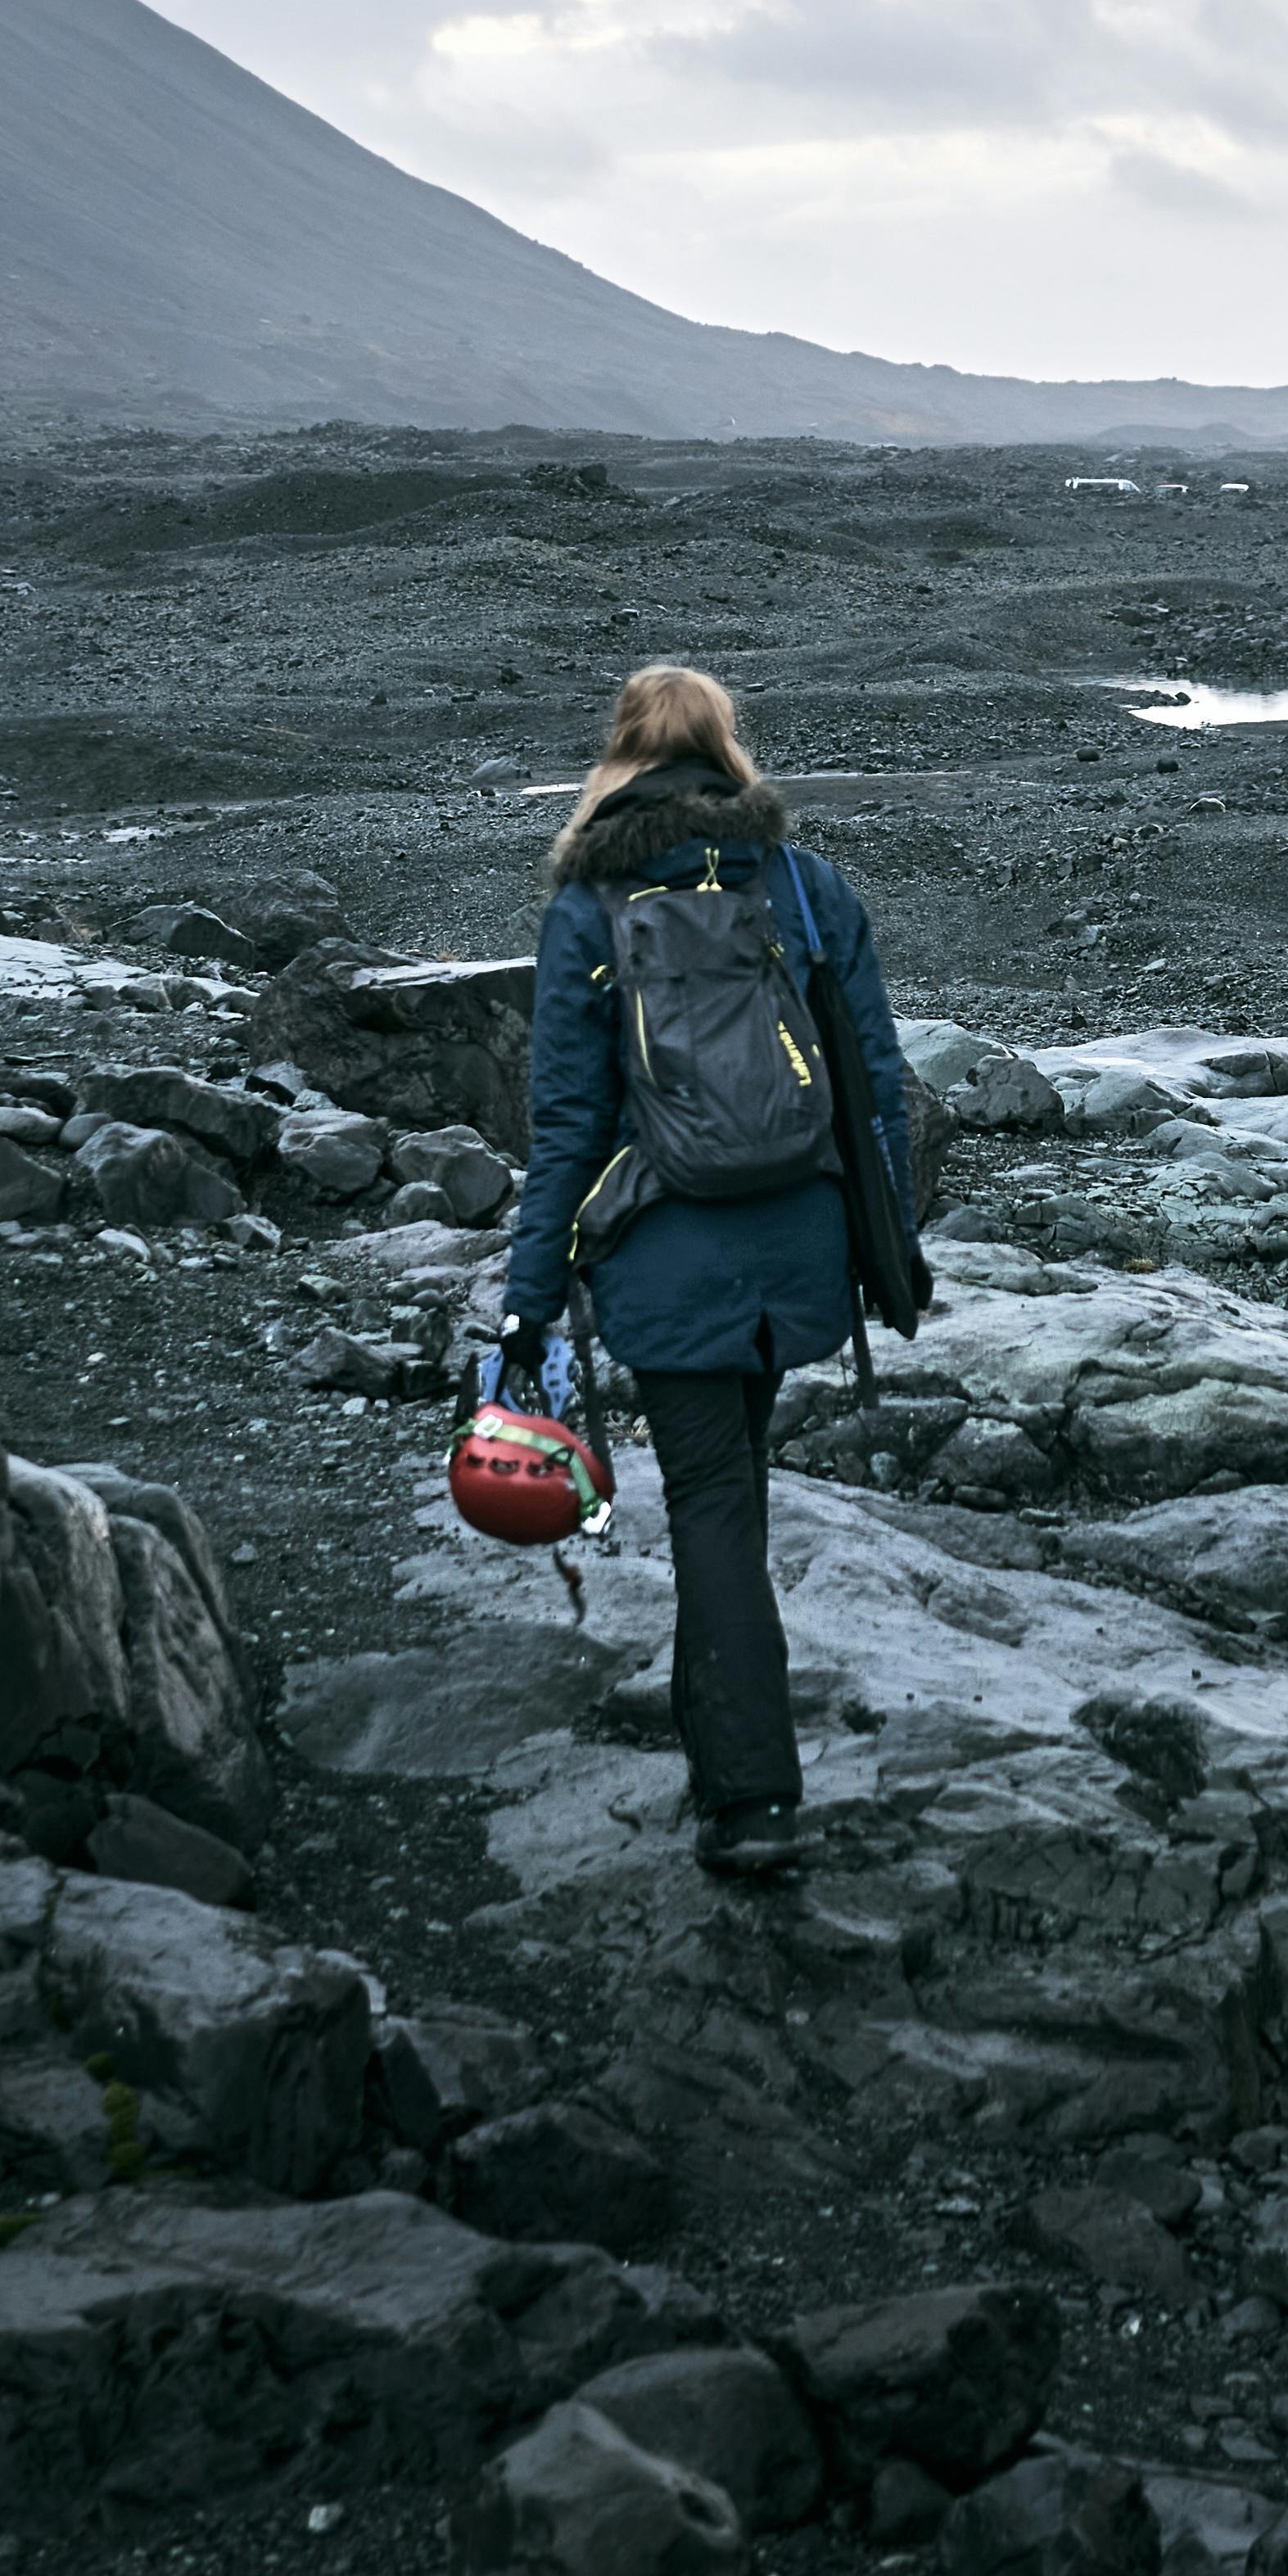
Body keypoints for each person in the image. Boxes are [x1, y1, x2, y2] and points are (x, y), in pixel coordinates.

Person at [492, 662, 917, 1881]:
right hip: (798, 1244)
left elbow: (567, 1129)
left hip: (667, 1254)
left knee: (712, 1500)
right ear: (729, 751)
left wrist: (528, 1302)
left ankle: (750, 1798)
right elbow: (875, 1082)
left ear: (622, 755)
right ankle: (716, 1732)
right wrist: (888, 1246)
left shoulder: (590, 905)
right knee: (733, 1485)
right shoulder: (804, 883)